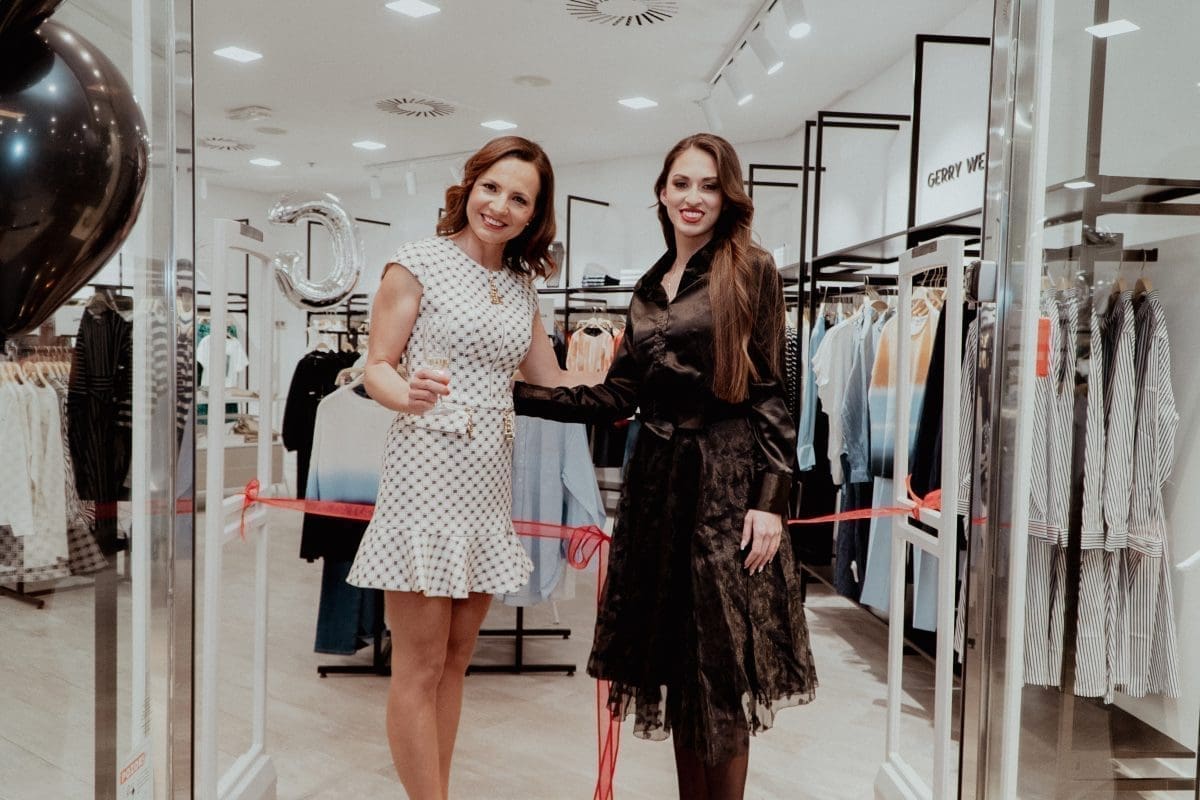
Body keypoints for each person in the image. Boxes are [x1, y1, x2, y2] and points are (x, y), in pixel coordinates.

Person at [514, 133, 817, 799]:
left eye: (708, 185)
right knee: (680, 672)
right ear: (662, 191)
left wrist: (770, 500)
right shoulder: (650, 287)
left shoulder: (751, 269)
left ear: (728, 196)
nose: (693, 197)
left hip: (723, 486)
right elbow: (619, 394)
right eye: (681, 183)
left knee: (720, 675)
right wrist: (517, 395)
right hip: (656, 490)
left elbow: (771, 392)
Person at [346, 135, 598, 800]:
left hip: (486, 487)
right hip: (425, 476)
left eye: (519, 198)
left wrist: (621, 379)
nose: (500, 206)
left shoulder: (520, 287)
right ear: (470, 185)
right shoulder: (416, 263)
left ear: (534, 214)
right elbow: (376, 367)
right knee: (420, 665)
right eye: (492, 187)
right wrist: (408, 392)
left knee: (456, 662)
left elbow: (549, 381)